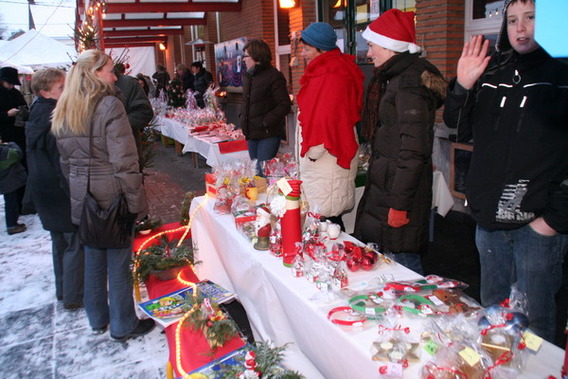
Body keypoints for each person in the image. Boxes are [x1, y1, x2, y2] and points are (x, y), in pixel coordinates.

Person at [443, 0, 568, 343]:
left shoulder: (562, 73)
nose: (521, 29)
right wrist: (462, 86)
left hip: (537, 226)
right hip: (489, 222)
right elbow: (457, 125)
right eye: (512, 20)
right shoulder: (493, 69)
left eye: (531, 18)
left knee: (536, 325)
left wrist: (554, 221)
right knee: (493, 315)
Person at [52, 49, 154, 341]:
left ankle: (97, 318)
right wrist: (136, 203)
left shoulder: (66, 104)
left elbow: (65, 161)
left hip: (83, 194)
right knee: (118, 262)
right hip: (112, 194)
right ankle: (123, 324)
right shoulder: (109, 104)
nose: (114, 76)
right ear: (95, 73)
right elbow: (125, 160)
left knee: (93, 257)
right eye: (110, 70)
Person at [353, 10, 446, 275]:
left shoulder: (407, 83)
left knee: (402, 265)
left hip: (398, 193)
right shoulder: (398, 78)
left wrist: (399, 205)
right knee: (393, 261)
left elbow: (413, 151)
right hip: (390, 187)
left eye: (371, 45)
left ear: (390, 45)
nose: (369, 53)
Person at [26, 68, 84, 309]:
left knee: (60, 241)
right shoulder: (53, 115)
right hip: (58, 188)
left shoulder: (36, 112)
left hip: (42, 187)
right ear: (44, 92)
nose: (66, 91)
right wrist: (75, 191)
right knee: (73, 242)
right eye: (61, 88)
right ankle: (73, 296)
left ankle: (64, 290)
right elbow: (61, 161)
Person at [296, 22, 364, 230]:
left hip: (325, 159)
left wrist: (311, 154)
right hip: (328, 158)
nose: (303, 54)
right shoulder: (334, 68)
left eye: (307, 49)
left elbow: (326, 120)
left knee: (326, 221)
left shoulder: (329, 73)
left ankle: (333, 260)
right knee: (328, 218)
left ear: (321, 48)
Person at [240, 39, 291, 175]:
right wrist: (242, 118)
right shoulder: (247, 77)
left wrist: (265, 121)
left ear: (257, 57)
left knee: (263, 172)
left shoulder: (274, 76)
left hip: (268, 134)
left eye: (246, 56)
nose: (244, 59)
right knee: (254, 172)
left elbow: (284, 104)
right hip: (251, 133)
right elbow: (247, 102)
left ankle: (270, 195)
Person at [114, 63, 154, 169]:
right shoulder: (81, 89)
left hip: (127, 152)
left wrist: (118, 126)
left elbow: (145, 112)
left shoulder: (127, 83)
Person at [0, 67, 29, 166]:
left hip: (19, 131)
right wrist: (7, 114)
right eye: (9, 83)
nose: (12, 86)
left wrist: (23, 112)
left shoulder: (15, 93)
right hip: (4, 134)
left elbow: (24, 106)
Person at [0, 141, 27, 235]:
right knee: (11, 204)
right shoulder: (4, 151)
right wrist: (11, 144)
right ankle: (12, 226)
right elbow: (18, 153)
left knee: (11, 203)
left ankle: (13, 224)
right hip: (9, 182)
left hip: (5, 181)